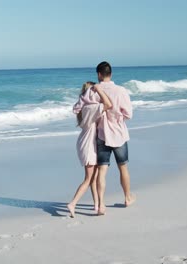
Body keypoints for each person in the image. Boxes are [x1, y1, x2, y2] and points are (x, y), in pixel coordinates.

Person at [94, 61, 135, 216]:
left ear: (99, 74)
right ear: (110, 74)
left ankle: (101, 205)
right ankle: (127, 198)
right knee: (123, 167)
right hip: (118, 134)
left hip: (101, 134)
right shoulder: (121, 90)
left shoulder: (94, 91)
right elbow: (128, 114)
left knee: (102, 171)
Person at [67, 81, 112, 218]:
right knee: (89, 179)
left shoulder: (83, 107)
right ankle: (73, 203)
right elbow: (109, 104)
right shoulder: (91, 108)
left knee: (93, 178)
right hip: (88, 145)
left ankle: (97, 205)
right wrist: (99, 90)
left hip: (85, 142)